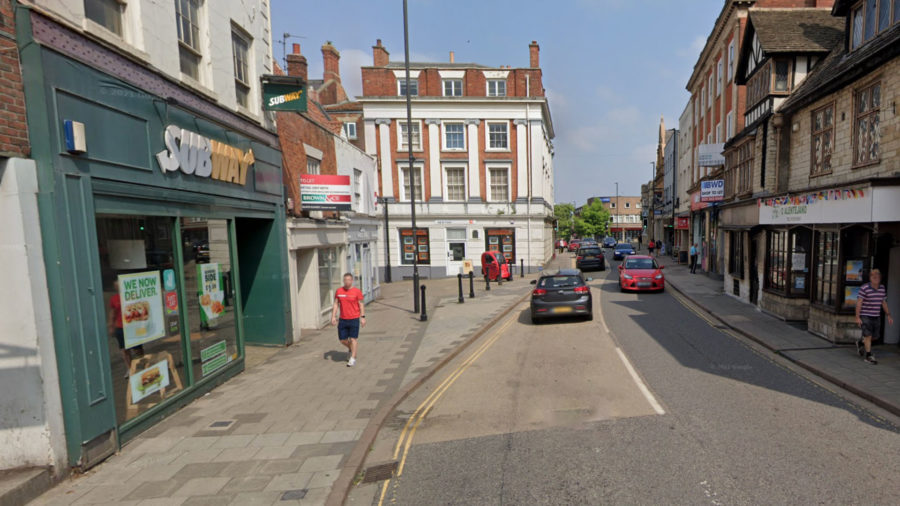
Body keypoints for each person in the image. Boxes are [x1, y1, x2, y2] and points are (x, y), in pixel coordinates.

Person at [855, 269, 892, 365]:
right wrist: (857, 317)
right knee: (868, 335)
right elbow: (859, 303)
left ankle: (861, 343)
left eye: (878, 276)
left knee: (875, 337)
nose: (876, 278)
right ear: (870, 278)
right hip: (865, 315)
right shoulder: (864, 288)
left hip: (876, 316)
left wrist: (888, 315)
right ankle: (868, 356)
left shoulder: (882, 288)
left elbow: (883, 302)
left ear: (880, 278)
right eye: (873, 276)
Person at [331, 273, 366, 367]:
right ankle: (351, 348)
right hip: (343, 319)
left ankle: (353, 358)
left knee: (353, 339)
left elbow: (361, 304)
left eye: (349, 280)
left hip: (354, 318)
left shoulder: (357, 291)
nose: (347, 282)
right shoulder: (339, 291)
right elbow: (335, 304)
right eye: (345, 280)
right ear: (343, 281)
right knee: (342, 339)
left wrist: (362, 317)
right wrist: (333, 316)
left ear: (352, 281)